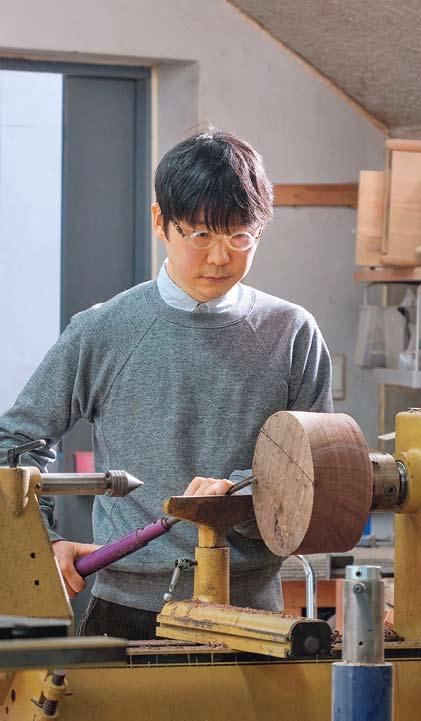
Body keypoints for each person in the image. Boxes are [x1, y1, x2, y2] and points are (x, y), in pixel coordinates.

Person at [0, 128, 333, 639]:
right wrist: (42, 543)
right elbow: (14, 444)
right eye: (200, 235)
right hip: (125, 610)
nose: (220, 257)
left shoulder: (291, 333)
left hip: (255, 615)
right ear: (161, 221)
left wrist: (242, 487)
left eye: (239, 237)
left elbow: (320, 467)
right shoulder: (103, 329)